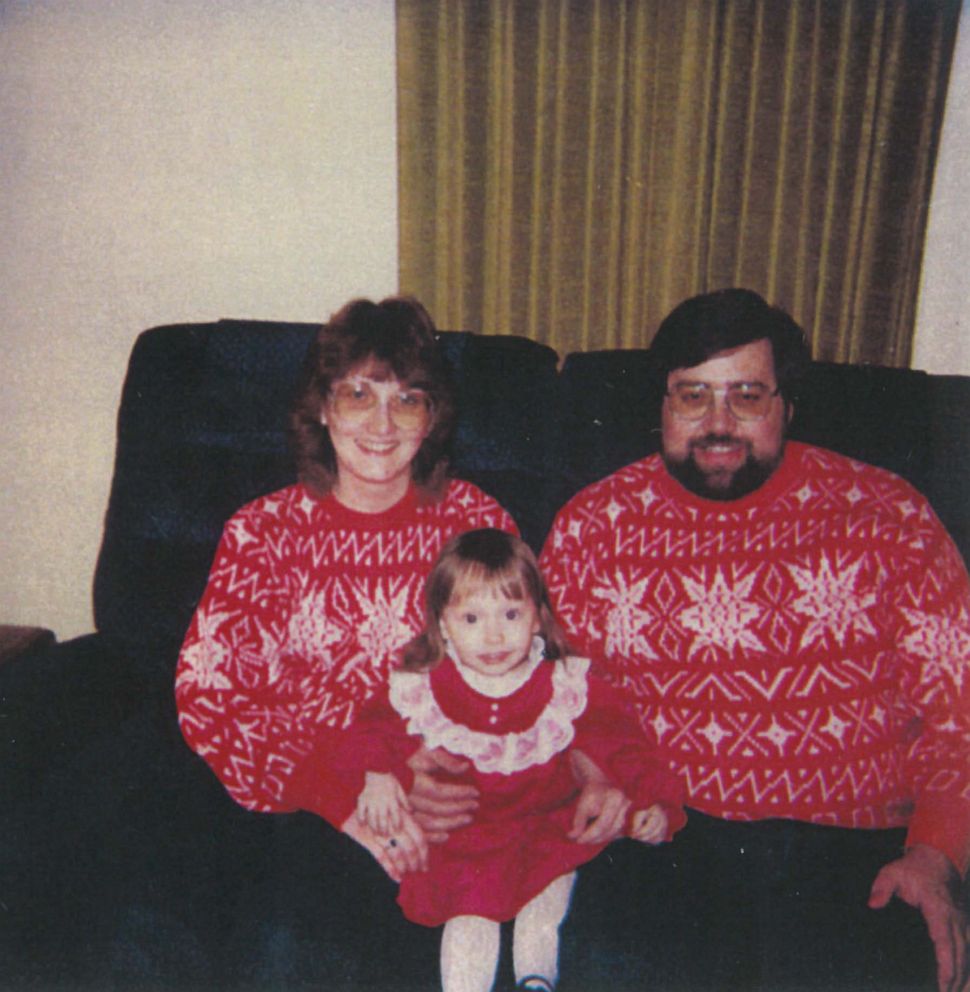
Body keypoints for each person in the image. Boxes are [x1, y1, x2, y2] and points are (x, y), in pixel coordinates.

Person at [539, 288, 970, 992]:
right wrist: (592, 776)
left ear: (787, 408)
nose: (717, 424)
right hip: (665, 839)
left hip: (851, 849)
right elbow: (549, 694)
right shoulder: (594, 525)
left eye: (746, 396)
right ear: (661, 408)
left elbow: (961, 704)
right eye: (692, 397)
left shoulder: (887, 516)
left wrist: (936, 854)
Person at [174, 296, 518, 982]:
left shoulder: (477, 524)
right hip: (304, 801)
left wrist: (436, 763)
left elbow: (526, 671)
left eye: (408, 399)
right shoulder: (264, 531)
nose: (382, 425)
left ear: (433, 418)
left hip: (445, 797)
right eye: (358, 394)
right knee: (289, 944)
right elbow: (210, 695)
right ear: (322, 409)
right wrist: (346, 793)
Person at [310, 528, 684, 992]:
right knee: (469, 920)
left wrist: (653, 802)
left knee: (546, 901)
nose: (493, 635)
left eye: (510, 613)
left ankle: (536, 980)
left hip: (545, 825)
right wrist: (377, 774)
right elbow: (370, 730)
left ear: (538, 618)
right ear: (443, 626)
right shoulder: (422, 686)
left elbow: (623, 743)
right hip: (466, 842)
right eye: (470, 618)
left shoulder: (566, 684)